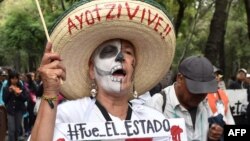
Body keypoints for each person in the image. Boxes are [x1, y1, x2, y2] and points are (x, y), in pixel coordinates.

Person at [29, 0, 178, 141]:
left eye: (128, 52)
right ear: (92, 70)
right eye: (109, 51)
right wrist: (50, 92)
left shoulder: (154, 122)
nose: (120, 57)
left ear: (134, 68)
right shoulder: (69, 116)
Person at [146, 55, 224, 141]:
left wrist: (211, 136)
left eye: (204, 90)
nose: (200, 95)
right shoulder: (157, 105)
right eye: (195, 89)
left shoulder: (205, 105)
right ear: (180, 79)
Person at [3, 71, 28, 141]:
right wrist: (9, 92)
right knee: (11, 130)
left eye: (16, 78)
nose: (14, 80)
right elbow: (4, 99)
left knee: (17, 129)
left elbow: (25, 98)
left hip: (19, 110)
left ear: (18, 79)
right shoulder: (6, 88)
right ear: (10, 79)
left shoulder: (22, 87)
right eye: (12, 78)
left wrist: (19, 94)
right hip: (10, 111)